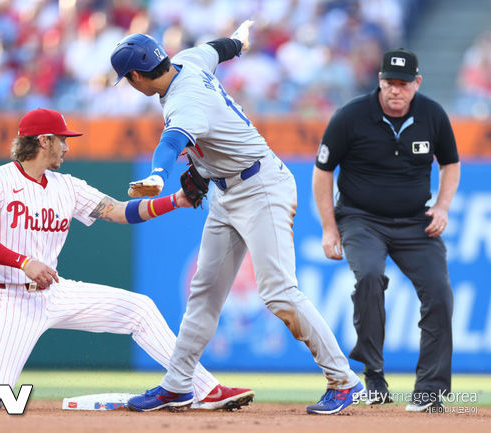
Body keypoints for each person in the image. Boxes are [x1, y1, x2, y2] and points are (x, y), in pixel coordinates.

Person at [0, 108, 254, 411]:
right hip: (8, 297)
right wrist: (24, 262)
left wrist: (176, 200)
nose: (67, 147)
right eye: (62, 139)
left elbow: (120, 212)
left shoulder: (66, 186)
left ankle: (205, 388)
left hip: (54, 292)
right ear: (43, 141)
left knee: (139, 309)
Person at [111, 21, 363, 415]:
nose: (130, 85)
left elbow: (171, 142)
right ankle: (178, 385)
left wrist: (159, 175)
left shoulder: (184, 100)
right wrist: (241, 39)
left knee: (279, 291)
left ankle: (343, 380)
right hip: (226, 192)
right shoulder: (188, 60)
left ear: (137, 76)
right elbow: (220, 47)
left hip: (260, 187)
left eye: (127, 80)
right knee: (204, 293)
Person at [312, 48, 460, 412]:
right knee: (369, 278)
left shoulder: (433, 115)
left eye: (403, 84)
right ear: (379, 81)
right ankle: (373, 374)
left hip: (415, 220)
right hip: (361, 218)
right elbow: (322, 172)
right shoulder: (351, 116)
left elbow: (451, 164)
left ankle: (429, 391)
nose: (396, 90)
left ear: (417, 83)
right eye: (389, 83)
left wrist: (441, 207)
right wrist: (330, 229)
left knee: (440, 293)